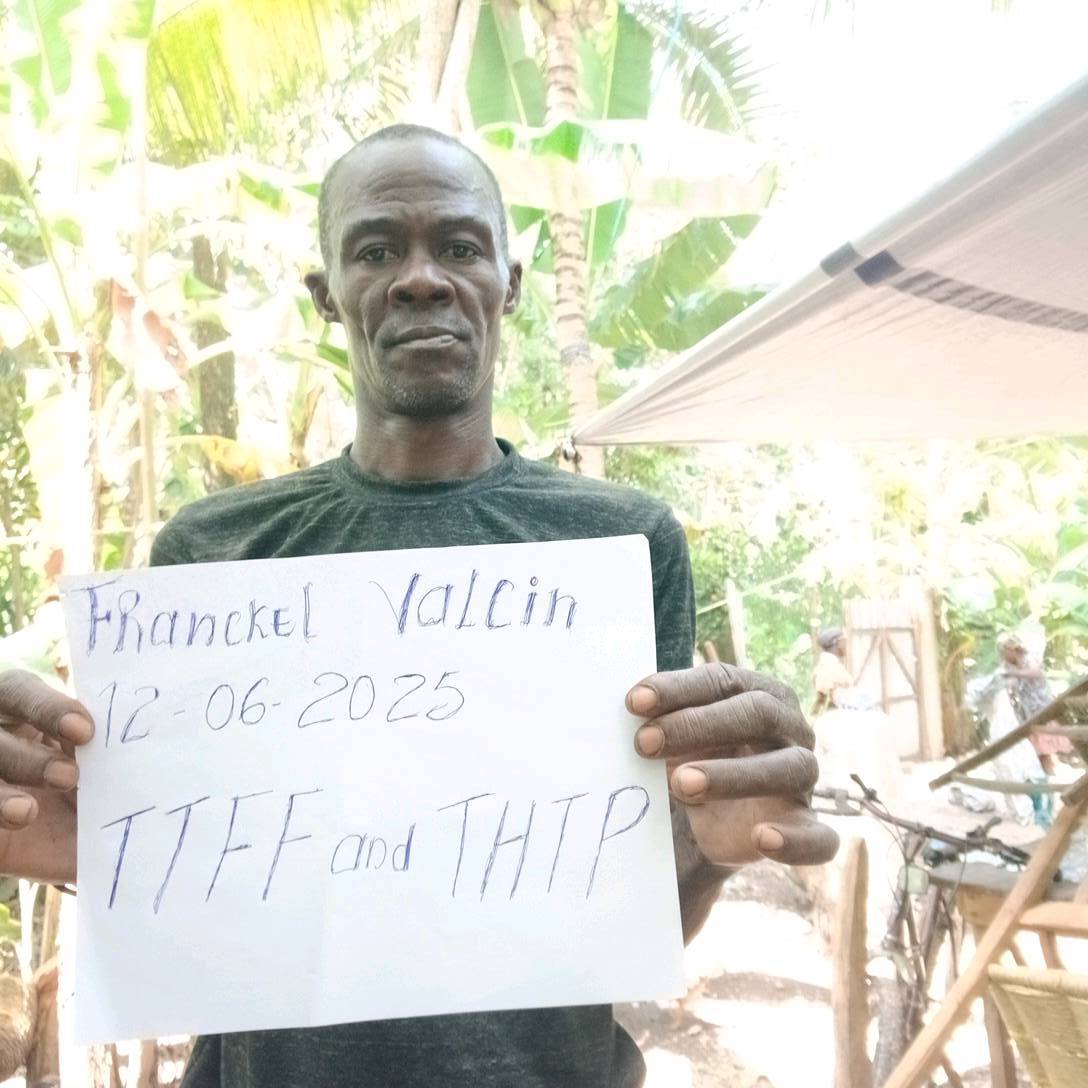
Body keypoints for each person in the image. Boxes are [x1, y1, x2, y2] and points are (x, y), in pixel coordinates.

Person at [0, 124, 837, 1087]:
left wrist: (715, 852)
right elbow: (209, 896)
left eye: (461, 246)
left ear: (508, 284)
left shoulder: (622, 545)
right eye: (375, 250)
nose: (421, 279)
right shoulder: (214, 553)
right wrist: (94, 849)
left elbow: (621, 918)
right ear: (325, 294)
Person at [811, 627, 852, 714]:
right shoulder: (825, 667)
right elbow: (826, 696)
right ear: (838, 643)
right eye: (844, 641)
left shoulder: (833, 665)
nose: (846, 644)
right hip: (834, 717)